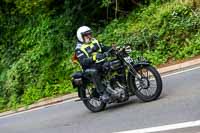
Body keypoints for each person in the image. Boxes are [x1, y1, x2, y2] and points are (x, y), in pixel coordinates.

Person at [75, 26, 112, 102]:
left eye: (90, 34)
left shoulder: (95, 41)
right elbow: (83, 61)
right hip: (89, 68)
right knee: (94, 71)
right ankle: (102, 93)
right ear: (81, 37)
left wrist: (113, 49)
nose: (89, 36)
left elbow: (104, 48)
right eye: (86, 35)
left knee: (114, 64)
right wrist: (94, 58)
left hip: (101, 63)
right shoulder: (79, 49)